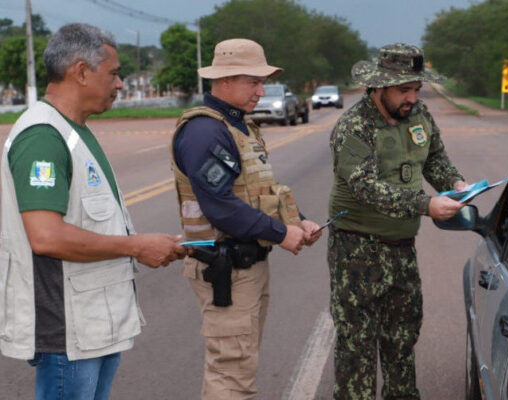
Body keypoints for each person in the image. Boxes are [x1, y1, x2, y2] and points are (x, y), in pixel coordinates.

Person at [0, 23, 185, 400]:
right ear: (81, 72)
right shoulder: (43, 137)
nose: (119, 84)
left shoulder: (75, 130)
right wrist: (136, 247)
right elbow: (45, 236)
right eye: (114, 74)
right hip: (69, 332)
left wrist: (144, 245)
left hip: (94, 325)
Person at [171, 38, 322, 399]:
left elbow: (257, 190)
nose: (262, 90)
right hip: (226, 267)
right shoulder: (206, 131)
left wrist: (297, 221)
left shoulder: (239, 126)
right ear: (224, 81)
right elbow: (219, 205)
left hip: (245, 264)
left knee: (240, 366)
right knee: (231, 374)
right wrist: (280, 232)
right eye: (253, 81)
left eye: (261, 81)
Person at [327, 43, 468, 400]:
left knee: (402, 341)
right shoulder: (354, 127)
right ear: (378, 88)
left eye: (416, 89)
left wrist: (456, 184)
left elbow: (435, 159)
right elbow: (366, 188)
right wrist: (426, 205)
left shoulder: (419, 116)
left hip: (401, 249)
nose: (412, 97)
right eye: (403, 90)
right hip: (358, 251)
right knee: (357, 348)